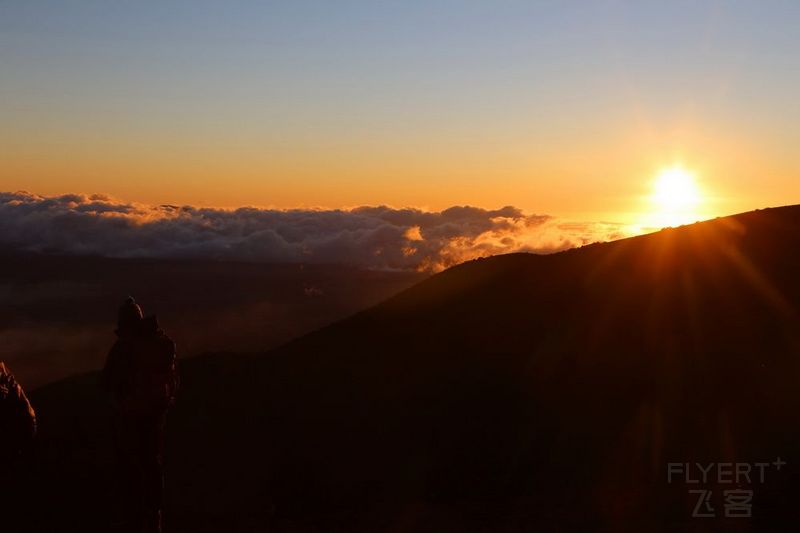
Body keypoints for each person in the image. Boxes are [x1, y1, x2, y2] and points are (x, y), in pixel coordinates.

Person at [103, 297, 179, 533]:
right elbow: (173, 379)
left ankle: (134, 519)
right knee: (152, 464)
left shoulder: (123, 348)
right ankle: (154, 517)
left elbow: (106, 383)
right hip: (156, 416)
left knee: (130, 469)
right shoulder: (161, 343)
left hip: (131, 418)